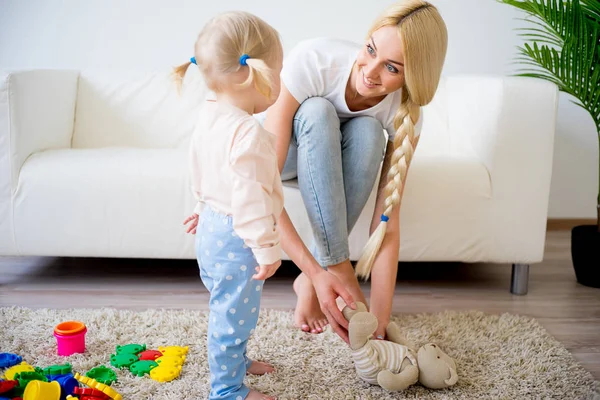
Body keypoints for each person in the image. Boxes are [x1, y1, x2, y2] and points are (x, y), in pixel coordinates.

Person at [261, 0, 448, 342]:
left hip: (333, 167)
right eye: (370, 50)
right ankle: (336, 269)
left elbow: (386, 224)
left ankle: (312, 281)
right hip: (286, 158)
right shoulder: (315, 60)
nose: (370, 70)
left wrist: (380, 320)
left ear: (415, 75)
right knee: (318, 111)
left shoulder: (405, 113)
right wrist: (322, 272)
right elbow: (262, 189)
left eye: (392, 67)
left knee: (367, 132)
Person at [176, 11, 287, 400]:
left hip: (212, 227)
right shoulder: (249, 132)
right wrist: (267, 248)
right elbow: (250, 200)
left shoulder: (209, 113)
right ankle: (227, 390)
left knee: (228, 306)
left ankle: (235, 363)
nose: (281, 82)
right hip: (237, 238)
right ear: (250, 76)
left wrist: (201, 203)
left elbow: (203, 166)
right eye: (277, 72)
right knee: (232, 316)